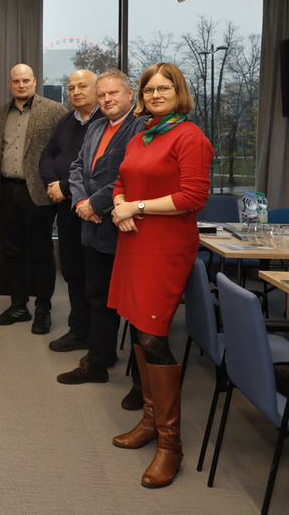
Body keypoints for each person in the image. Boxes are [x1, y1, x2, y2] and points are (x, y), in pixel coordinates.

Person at [109, 62, 212, 488]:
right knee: (136, 327)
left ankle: (172, 445)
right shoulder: (143, 133)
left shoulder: (190, 136)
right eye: (149, 89)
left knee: (153, 334)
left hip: (166, 246)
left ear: (178, 92)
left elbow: (194, 196)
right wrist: (119, 205)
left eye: (163, 88)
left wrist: (139, 207)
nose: (155, 94)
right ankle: (150, 421)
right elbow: (121, 178)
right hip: (133, 241)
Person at [55, 70, 146, 387]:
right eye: (103, 94)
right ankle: (100, 359)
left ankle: (141, 382)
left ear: (130, 94)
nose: (107, 99)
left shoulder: (141, 129)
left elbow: (128, 176)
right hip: (91, 228)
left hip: (123, 229)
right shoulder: (94, 127)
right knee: (97, 297)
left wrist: (95, 204)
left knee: (131, 306)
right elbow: (78, 167)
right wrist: (81, 203)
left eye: (114, 94)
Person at [0, 63, 67, 334]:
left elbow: (63, 152)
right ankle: (18, 306)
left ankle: (43, 309)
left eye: (26, 80)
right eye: (16, 81)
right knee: (12, 252)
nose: (21, 85)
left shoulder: (54, 110)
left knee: (42, 253)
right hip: (7, 191)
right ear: (10, 84)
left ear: (34, 82)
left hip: (38, 193)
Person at [39, 70, 104, 351]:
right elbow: (47, 155)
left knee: (93, 276)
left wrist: (65, 187)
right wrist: (53, 183)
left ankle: (96, 336)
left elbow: (97, 169)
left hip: (94, 211)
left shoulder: (106, 122)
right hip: (66, 210)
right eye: (71, 87)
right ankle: (78, 329)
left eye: (82, 86)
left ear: (96, 89)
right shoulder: (67, 120)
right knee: (72, 271)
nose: (76, 92)